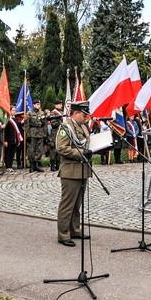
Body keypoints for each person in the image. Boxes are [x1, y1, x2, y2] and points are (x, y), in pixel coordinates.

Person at [56, 101, 92, 247]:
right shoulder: (66, 127)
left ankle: (75, 230)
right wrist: (81, 153)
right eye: (84, 115)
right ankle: (63, 234)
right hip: (70, 171)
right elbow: (61, 148)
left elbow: (86, 143)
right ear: (75, 113)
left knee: (77, 204)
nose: (86, 118)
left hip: (82, 170)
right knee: (67, 204)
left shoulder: (82, 126)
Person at [26, 100, 46, 172]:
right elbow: (27, 124)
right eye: (37, 104)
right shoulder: (29, 113)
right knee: (31, 150)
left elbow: (44, 124)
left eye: (39, 104)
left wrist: (44, 134)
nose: (38, 106)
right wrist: (28, 135)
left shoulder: (42, 113)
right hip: (32, 133)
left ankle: (37, 165)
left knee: (39, 150)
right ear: (34, 105)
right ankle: (32, 165)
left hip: (40, 133)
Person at [46, 100, 64, 171]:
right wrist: (60, 123)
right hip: (55, 132)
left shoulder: (62, 112)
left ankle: (58, 165)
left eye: (61, 104)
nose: (60, 105)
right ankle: (52, 165)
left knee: (60, 147)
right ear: (55, 105)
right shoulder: (53, 113)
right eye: (59, 104)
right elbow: (53, 124)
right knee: (53, 149)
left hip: (61, 132)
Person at [4, 108, 23, 173]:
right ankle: (7, 166)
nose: (14, 111)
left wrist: (18, 140)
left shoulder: (15, 119)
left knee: (12, 153)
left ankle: (10, 166)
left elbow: (17, 130)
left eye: (15, 110)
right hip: (9, 139)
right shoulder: (7, 119)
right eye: (13, 110)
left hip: (14, 139)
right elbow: (5, 131)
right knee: (8, 153)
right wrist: (5, 140)